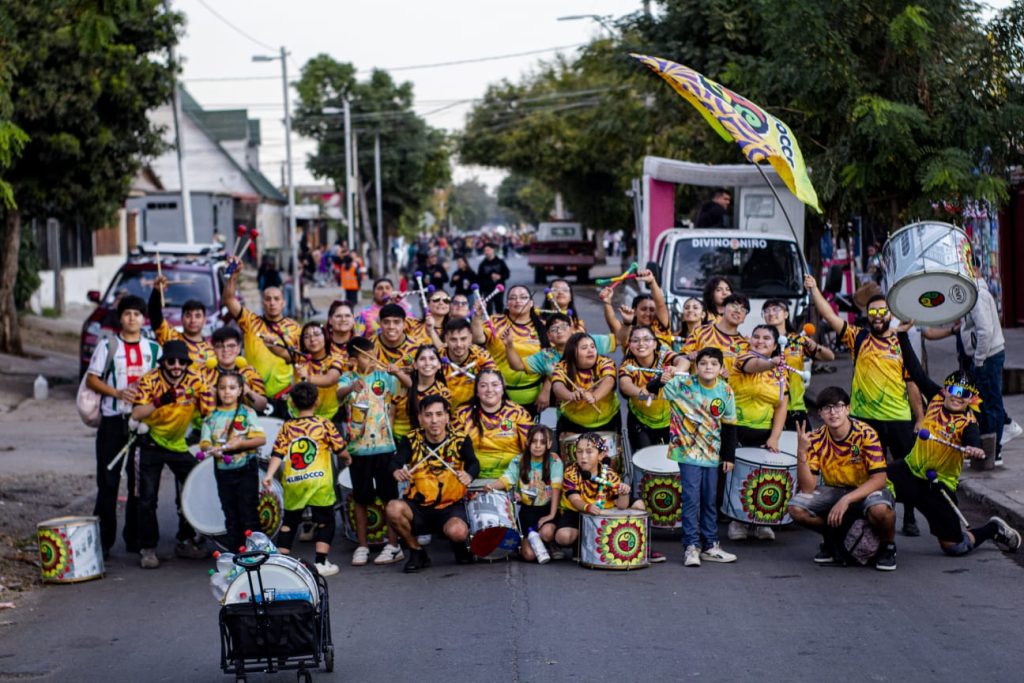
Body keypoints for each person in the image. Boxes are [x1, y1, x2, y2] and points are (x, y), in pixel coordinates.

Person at [805, 274, 923, 536]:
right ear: (867, 315)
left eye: (882, 311)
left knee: (907, 468)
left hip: (898, 417)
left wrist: (920, 417)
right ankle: (864, 512)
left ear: (890, 314)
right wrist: (814, 290)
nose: (878, 316)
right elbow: (831, 317)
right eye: (873, 312)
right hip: (864, 420)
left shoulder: (901, 342)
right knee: (865, 469)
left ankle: (910, 516)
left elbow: (912, 383)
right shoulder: (858, 338)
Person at [887, 363, 1021, 557]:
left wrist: (973, 448)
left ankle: (992, 529)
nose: (958, 396)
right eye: (955, 389)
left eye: (965, 393)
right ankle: (879, 543)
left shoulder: (969, 423)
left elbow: (972, 438)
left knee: (955, 546)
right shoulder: (935, 398)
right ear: (945, 390)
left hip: (938, 485)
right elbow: (916, 372)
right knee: (875, 483)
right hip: (909, 471)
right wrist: (903, 335)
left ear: (971, 399)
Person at [787, 386, 898, 570]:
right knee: (796, 508)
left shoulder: (866, 433)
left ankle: (888, 546)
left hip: (867, 489)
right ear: (820, 413)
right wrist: (801, 452)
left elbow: (879, 479)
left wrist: (847, 499)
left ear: (848, 409)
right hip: (836, 490)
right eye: (826, 408)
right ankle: (833, 540)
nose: (833, 412)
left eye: (838, 406)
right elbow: (807, 488)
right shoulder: (815, 438)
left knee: (880, 510)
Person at [86, 295, 161, 557]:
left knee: (138, 484)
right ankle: (103, 543)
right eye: (127, 314)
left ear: (144, 319)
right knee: (108, 482)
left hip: (142, 424)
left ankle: (135, 538)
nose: (132, 318)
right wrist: (117, 393)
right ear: (121, 318)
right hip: (112, 422)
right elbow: (92, 380)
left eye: (137, 314)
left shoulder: (154, 349)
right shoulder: (107, 346)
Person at [130, 340, 215, 568]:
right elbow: (137, 413)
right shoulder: (151, 379)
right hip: (151, 443)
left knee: (193, 488)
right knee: (147, 498)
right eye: (171, 361)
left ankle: (186, 540)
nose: (176, 365)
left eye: (181, 361)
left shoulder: (196, 380)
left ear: (187, 362)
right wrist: (160, 401)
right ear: (164, 362)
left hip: (179, 444)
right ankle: (148, 548)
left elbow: (210, 413)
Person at [650, 349, 738, 566]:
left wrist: (728, 456)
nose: (708, 367)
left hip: (712, 454)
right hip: (687, 453)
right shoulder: (682, 385)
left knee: (710, 500)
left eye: (714, 364)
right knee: (691, 500)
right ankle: (691, 546)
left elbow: (729, 425)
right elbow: (651, 390)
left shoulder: (725, 391)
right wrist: (660, 379)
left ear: (721, 368)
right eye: (704, 363)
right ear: (696, 366)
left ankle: (710, 545)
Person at [262, 381, 350, 577]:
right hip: (319, 482)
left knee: (290, 522)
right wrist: (348, 457)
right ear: (317, 401)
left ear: (292, 403)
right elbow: (340, 448)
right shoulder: (324, 424)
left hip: (293, 481)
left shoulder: (287, 427)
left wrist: (269, 475)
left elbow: (277, 453)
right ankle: (321, 562)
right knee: (325, 520)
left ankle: (280, 563)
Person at [922, 273, 1008, 464]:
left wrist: (978, 360)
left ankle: (995, 450)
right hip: (981, 356)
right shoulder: (969, 293)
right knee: (982, 403)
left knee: (989, 404)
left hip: (988, 357)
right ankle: (988, 446)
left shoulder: (977, 295)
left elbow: (985, 331)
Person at [387, 395, 480, 572]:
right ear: (421, 419)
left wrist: (469, 475)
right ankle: (417, 551)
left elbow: (474, 463)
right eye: (428, 415)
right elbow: (395, 462)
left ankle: (459, 545)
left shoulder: (460, 439)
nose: (434, 420)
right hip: (418, 506)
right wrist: (396, 471)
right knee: (393, 508)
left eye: (439, 414)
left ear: (447, 417)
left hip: (450, 506)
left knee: (458, 531)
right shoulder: (411, 440)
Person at [337, 337, 405, 566]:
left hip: (385, 446)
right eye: (366, 356)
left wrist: (396, 372)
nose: (371, 359)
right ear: (353, 359)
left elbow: (407, 384)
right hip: (358, 448)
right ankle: (363, 545)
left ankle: (394, 545)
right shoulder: (348, 378)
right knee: (361, 498)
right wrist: (351, 387)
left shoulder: (383, 377)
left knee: (389, 496)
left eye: (373, 353)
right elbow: (339, 394)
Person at [223, 255, 301, 418]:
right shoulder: (250, 321)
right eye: (268, 299)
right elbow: (229, 299)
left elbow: (300, 360)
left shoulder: (295, 328)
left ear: (283, 302)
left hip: (284, 396)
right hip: (252, 392)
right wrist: (234, 275)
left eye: (276, 299)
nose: (272, 303)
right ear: (262, 302)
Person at [198, 371, 266, 552]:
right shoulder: (211, 417)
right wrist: (210, 449)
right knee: (230, 513)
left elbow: (260, 439)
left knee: (249, 512)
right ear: (216, 391)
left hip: (246, 469)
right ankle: (237, 553)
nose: (227, 392)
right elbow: (204, 442)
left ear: (240, 391)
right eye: (222, 388)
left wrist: (239, 444)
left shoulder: (247, 412)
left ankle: (257, 552)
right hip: (222, 470)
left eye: (232, 387)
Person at [487, 425, 562, 563]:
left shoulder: (555, 461)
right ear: (527, 442)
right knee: (529, 555)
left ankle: (549, 543)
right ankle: (524, 545)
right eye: (534, 441)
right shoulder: (519, 460)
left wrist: (551, 515)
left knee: (547, 532)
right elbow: (506, 479)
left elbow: (556, 489)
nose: (538, 446)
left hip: (547, 510)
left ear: (550, 444)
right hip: (527, 513)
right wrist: (491, 486)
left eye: (543, 442)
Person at [471, 284, 549, 414]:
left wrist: (546, 390)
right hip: (496, 395)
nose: (518, 301)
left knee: (526, 432)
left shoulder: (543, 326)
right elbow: (478, 339)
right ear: (507, 304)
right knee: (505, 430)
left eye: (523, 297)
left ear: (531, 303)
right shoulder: (495, 321)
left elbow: (553, 363)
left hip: (532, 397)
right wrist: (477, 318)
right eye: (513, 298)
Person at [761, 298, 834, 427]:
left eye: (776, 309)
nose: (771, 313)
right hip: (767, 409)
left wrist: (815, 346)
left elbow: (829, 357)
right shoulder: (759, 341)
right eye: (766, 311)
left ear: (786, 314)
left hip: (795, 408)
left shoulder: (798, 339)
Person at [554, 433, 632, 551]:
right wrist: (587, 507)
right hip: (577, 512)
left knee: (638, 505)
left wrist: (624, 493)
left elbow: (622, 505)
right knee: (563, 537)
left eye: (589, 452)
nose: (583, 456)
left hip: (603, 512)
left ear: (601, 455)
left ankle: (642, 547)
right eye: (579, 451)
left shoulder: (610, 474)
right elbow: (575, 499)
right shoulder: (571, 472)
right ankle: (581, 543)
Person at [454, 368, 531, 480]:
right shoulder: (462, 413)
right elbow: (453, 450)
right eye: (483, 385)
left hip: (510, 478)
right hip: (470, 478)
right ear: (477, 391)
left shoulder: (518, 413)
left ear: (503, 389)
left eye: (495, 385)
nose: (489, 390)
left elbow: (530, 449)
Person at [618, 326, 681, 453]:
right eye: (635, 340)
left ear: (655, 344)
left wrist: (677, 369)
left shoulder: (664, 356)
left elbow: (683, 361)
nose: (641, 343)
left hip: (670, 420)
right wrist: (642, 392)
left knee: (671, 465)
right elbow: (625, 385)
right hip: (641, 421)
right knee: (646, 462)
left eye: (646, 339)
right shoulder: (628, 365)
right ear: (629, 345)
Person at [550, 333, 620, 437]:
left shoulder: (605, 362)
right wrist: (571, 395)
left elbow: (609, 380)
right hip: (573, 424)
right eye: (584, 348)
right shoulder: (562, 367)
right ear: (573, 351)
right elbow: (557, 386)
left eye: (592, 346)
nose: (590, 350)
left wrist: (594, 396)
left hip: (607, 422)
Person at [199, 327, 268, 414]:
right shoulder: (203, 373)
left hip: (242, 424)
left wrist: (248, 392)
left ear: (239, 348)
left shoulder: (249, 372)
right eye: (220, 346)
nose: (225, 350)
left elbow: (263, 406)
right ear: (214, 350)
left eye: (231, 346)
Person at [679, 293, 751, 376]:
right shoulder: (700, 331)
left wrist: (730, 375)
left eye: (743, 309)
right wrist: (689, 357)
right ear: (723, 308)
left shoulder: (744, 345)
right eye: (734, 306)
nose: (738, 311)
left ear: (744, 318)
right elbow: (680, 358)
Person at [391, 345, 449, 446]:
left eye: (432, 359)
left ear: (439, 364)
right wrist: (391, 443)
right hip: (397, 442)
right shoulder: (402, 384)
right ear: (415, 365)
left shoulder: (443, 392)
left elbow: (443, 424)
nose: (427, 363)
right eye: (422, 359)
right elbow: (390, 414)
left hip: (426, 444)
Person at [148, 274, 212, 365]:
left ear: (204, 320)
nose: (193, 320)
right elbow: (155, 315)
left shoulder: (212, 348)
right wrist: (157, 292)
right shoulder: (171, 338)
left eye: (197, 316)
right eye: (188, 315)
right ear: (182, 318)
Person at [607, 269, 673, 350]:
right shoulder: (626, 331)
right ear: (634, 310)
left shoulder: (661, 327)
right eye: (643, 309)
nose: (648, 313)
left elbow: (661, 305)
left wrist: (652, 282)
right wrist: (607, 301)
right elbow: (612, 321)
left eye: (652, 310)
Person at [293, 322, 345, 423]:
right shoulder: (298, 357)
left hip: (330, 417)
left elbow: (330, 379)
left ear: (325, 337)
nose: (312, 339)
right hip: (299, 416)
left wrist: (308, 378)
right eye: (307, 337)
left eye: (317, 334)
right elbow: (281, 351)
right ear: (302, 341)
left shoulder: (336, 358)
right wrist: (271, 343)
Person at [440, 318, 497, 410]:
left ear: (471, 337)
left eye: (463, 339)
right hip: (444, 411)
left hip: (475, 410)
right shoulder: (436, 357)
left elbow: (497, 383)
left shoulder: (482, 355)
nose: (459, 344)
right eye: (453, 340)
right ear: (446, 338)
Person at [373, 303, 421, 369]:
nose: (391, 327)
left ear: (404, 324)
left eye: (396, 322)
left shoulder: (417, 348)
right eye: (386, 322)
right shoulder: (370, 346)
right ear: (380, 324)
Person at [477, 242, 510, 314]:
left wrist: (500, 276)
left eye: (488, 250)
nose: (486, 252)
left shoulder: (500, 262)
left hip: (498, 289)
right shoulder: (482, 264)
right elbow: (479, 279)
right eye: (485, 250)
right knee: (488, 310)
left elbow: (507, 274)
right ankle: (490, 324)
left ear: (493, 250)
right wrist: (480, 294)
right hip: (487, 290)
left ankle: (500, 323)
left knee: (499, 308)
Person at [325, 300, 356, 366]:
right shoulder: (321, 344)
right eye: (338, 316)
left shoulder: (360, 345)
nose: (343, 319)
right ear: (330, 320)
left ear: (353, 319)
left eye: (347, 316)